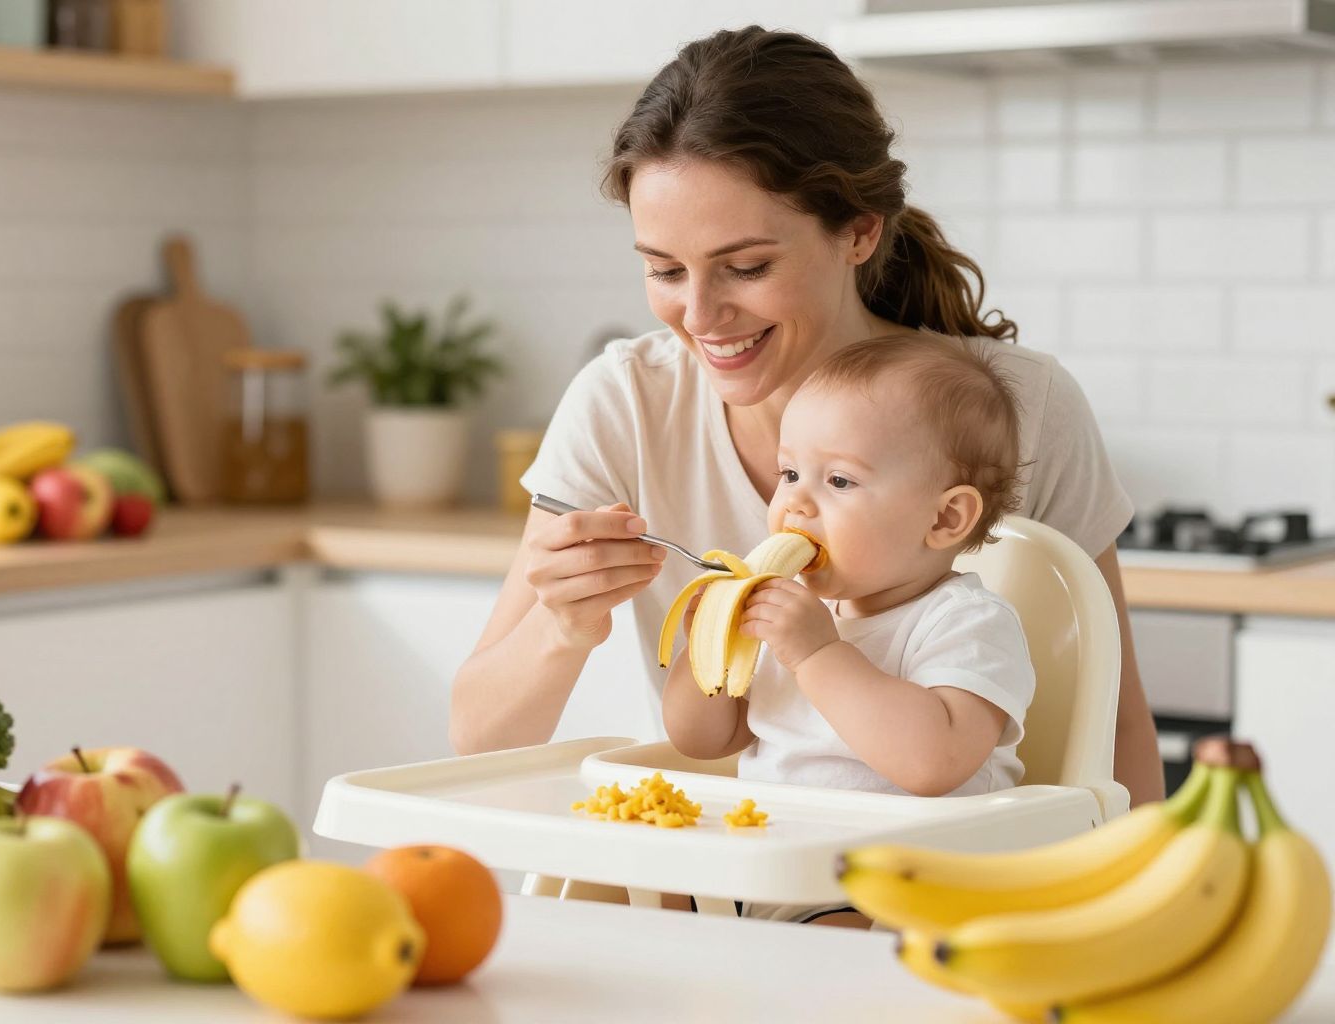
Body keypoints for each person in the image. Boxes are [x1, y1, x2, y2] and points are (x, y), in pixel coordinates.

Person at [449, 25, 1164, 808]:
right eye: (663, 269)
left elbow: (1116, 729)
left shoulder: (1018, 406)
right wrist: (564, 626)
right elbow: (481, 742)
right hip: (741, 865)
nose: (699, 316)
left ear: (859, 231)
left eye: (747, 267)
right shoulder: (625, 400)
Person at [662, 334, 1035, 926]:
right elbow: (704, 740)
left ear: (944, 518)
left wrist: (817, 656)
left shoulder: (967, 623)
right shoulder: (797, 612)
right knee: (637, 893)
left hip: (900, 887)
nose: (796, 505)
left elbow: (931, 761)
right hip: (765, 865)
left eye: (838, 481)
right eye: (790, 473)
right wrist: (704, 647)